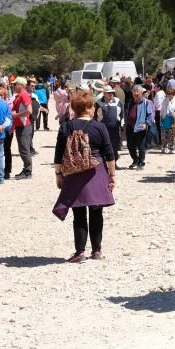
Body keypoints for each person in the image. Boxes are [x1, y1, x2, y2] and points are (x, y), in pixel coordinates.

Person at [53, 89, 116, 262]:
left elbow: (58, 155)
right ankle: (96, 251)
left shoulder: (66, 127)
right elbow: (109, 154)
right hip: (96, 172)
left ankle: (79, 252)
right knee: (96, 212)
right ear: (89, 108)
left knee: (78, 213)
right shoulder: (99, 127)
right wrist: (112, 175)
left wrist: (59, 174)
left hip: (73, 173)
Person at [125, 84, 153, 170]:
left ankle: (141, 162)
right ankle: (135, 160)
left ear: (141, 93)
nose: (136, 93)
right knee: (130, 145)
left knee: (141, 146)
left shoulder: (146, 102)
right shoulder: (129, 102)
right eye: (134, 91)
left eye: (138, 91)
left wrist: (146, 124)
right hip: (130, 126)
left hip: (141, 126)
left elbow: (150, 115)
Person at [11, 77, 34, 180]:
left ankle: (28, 171)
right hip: (21, 125)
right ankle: (26, 169)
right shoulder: (20, 95)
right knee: (23, 149)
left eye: (15, 84)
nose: (13, 86)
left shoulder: (24, 95)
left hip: (24, 125)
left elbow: (29, 111)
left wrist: (16, 115)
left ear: (20, 85)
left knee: (24, 149)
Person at [96, 87, 123, 167]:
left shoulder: (118, 101)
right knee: (103, 146)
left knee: (114, 146)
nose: (111, 94)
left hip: (115, 129)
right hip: (103, 129)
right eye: (108, 92)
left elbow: (122, 114)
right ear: (104, 93)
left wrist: (122, 124)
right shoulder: (98, 103)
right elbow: (94, 116)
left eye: (112, 92)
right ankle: (103, 164)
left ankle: (114, 163)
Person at [159, 85, 175, 155]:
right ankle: (163, 147)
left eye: (171, 94)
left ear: (173, 94)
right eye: (168, 94)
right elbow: (162, 110)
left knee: (172, 134)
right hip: (165, 118)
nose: (169, 96)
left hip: (172, 118)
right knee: (164, 134)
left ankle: (171, 147)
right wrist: (161, 118)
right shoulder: (165, 100)